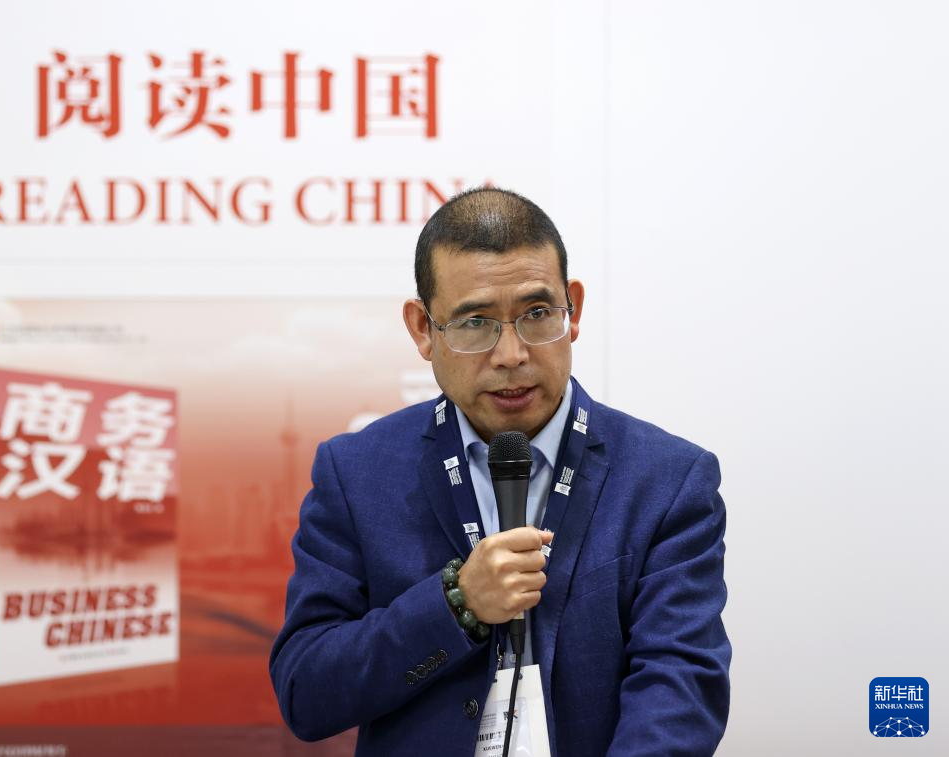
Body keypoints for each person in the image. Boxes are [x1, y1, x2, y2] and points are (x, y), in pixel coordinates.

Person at [269, 188, 731, 756]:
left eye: (537, 314)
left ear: (573, 309)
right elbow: (307, 691)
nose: (511, 353)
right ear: (422, 329)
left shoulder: (667, 480)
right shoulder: (358, 473)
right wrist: (455, 604)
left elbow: (680, 689)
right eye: (475, 322)